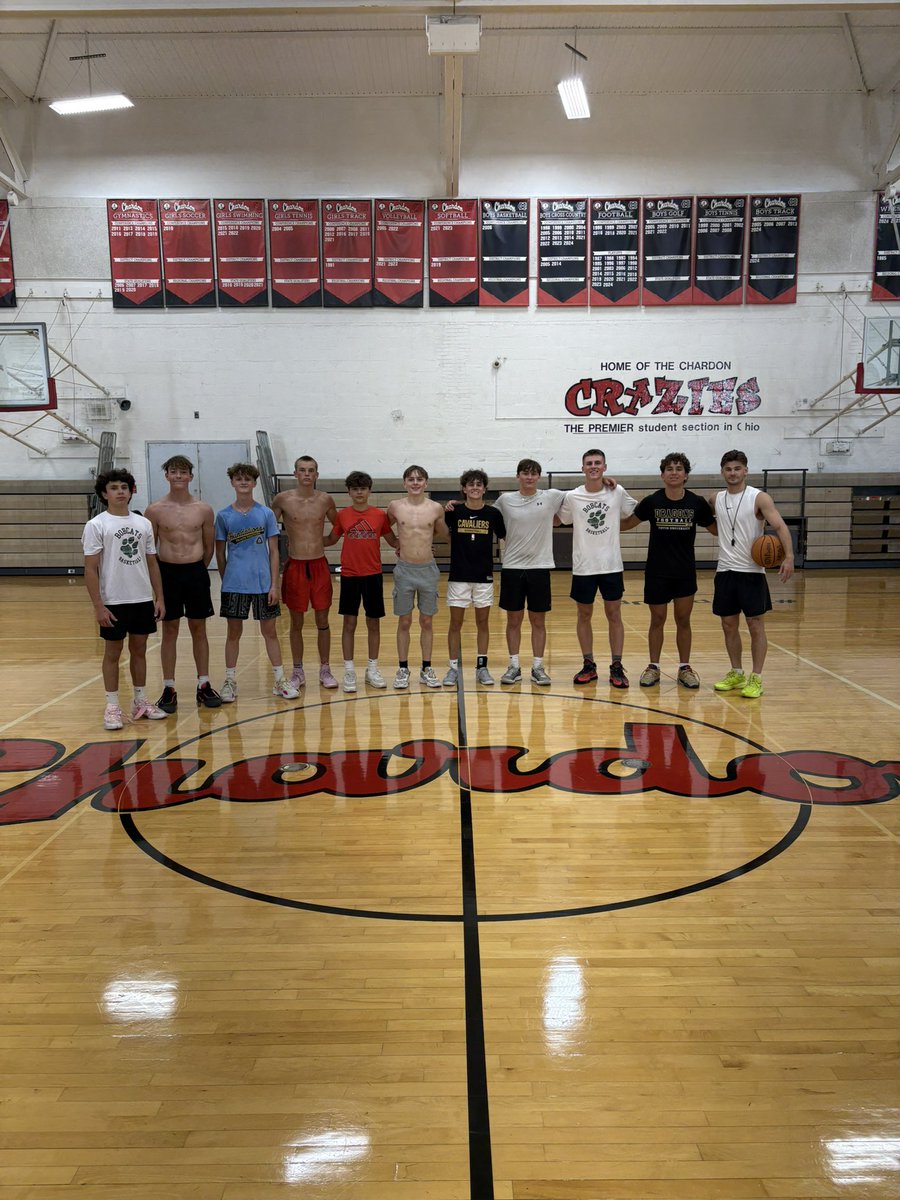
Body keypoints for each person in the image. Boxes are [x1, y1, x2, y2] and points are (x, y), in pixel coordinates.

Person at [620, 452, 717, 689]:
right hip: (657, 572)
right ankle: (653, 667)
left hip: (684, 572)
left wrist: (750, 517)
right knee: (658, 620)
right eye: (669, 468)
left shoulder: (696, 502)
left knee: (683, 620)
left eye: (679, 468)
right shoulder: (653, 501)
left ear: (685, 475)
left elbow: (717, 530)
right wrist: (599, 516)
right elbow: (627, 524)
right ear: (662, 475)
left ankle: (685, 667)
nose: (674, 472)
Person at [82, 468, 168, 730]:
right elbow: (90, 568)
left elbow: (152, 563)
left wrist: (159, 598)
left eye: (124, 487)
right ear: (104, 493)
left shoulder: (143, 524)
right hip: (113, 601)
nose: (120, 491)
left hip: (141, 598)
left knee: (140, 650)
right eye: (114, 488)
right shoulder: (97, 524)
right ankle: (112, 706)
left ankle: (140, 701)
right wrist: (99, 605)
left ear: (132, 491)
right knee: (113, 652)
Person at [711, 449, 794, 699]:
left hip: (751, 572)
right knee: (728, 625)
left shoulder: (759, 498)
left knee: (755, 625)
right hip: (725, 570)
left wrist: (789, 556)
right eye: (728, 469)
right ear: (722, 472)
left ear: (745, 471)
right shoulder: (715, 498)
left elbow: (779, 526)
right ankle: (736, 672)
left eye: (737, 468)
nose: (733, 473)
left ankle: (756, 677)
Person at [214, 463, 299, 702]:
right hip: (235, 585)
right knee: (234, 633)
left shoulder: (266, 514)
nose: (243, 482)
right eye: (238, 478)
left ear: (253, 483)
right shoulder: (223, 516)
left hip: (263, 585)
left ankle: (280, 680)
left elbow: (274, 552)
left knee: (270, 632)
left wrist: (275, 585)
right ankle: (230, 680)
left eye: (248, 479)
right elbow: (220, 553)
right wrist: (226, 579)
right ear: (232, 482)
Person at [145, 454, 222, 711]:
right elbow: (150, 550)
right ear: (166, 475)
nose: (178, 476)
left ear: (191, 476)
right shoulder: (154, 510)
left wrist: (199, 568)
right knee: (169, 631)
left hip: (195, 573)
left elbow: (209, 545)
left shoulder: (203, 509)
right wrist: (157, 588)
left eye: (183, 472)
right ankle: (169, 688)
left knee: (199, 629)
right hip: (167, 574)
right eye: (173, 472)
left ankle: (203, 684)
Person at [558, 447, 637, 688]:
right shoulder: (572, 497)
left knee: (614, 615)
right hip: (584, 566)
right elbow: (562, 519)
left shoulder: (617, 491)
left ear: (605, 467)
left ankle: (616, 665)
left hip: (611, 565)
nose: (593, 466)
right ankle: (588, 664)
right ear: (582, 468)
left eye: (598, 463)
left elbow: (637, 513)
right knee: (584, 615)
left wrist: (617, 528)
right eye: (589, 463)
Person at [492, 457, 566, 686]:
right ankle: (514, 666)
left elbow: (585, 492)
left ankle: (537, 667)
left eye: (534, 473)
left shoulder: (551, 496)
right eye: (525, 473)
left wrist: (607, 481)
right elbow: (489, 518)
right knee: (513, 620)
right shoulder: (505, 500)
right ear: (518, 476)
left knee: (538, 621)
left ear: (539, 476)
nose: (529, 477)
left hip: (540, 567)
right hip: (513, 567)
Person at [324, 470, 398, 692]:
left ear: (369, 490)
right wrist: (306, 541)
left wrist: (415, 545)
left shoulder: (379, 516)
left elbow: (393, 539)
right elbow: (331, 539)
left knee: (373, 623)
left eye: (363, 488)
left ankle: (372, 669)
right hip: (349, 576)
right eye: (355, 489)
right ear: (349, 491)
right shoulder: (343, 516)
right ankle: (349, 670)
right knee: (349, 623)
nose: (359, 492)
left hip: (373, 575)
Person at [272, 455, 339, 690]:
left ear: (317, 475)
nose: (307, 474)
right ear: (296, 474)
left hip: (319, 565)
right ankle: (297, 670)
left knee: (322, 619)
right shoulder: (283, 499)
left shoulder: (325, 500)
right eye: (302, 470)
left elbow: (339, 527)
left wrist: (325, 541)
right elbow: (269, 529)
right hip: (296, 566)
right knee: (296, 621)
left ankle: (325, 668)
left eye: (311, 470)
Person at [386, 464, 448, 690]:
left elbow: (445, 534)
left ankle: (426, 668)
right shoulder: (395, 507)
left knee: (427, 621)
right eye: (411, 479)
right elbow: (384, 528)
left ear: (426, 483)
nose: (415, 483)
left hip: (428, 570)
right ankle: (403, 668)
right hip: (404, 570)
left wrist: (453, 511)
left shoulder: (435, 508)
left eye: (419, 479)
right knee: (404, 620)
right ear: (404, 483)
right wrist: (395, 543)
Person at [442, 469, 506, 687]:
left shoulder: (493, 514)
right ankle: (452, 668)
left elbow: (505, 537)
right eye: (471, 484)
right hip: (459, 575)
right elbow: (440, 531)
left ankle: (482, 667)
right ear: (464, 488)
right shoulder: (453, 512)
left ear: (484, 488)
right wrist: (447, 507)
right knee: (455, 623)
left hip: (483, 575)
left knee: (483, 622)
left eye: (479, 484)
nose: (475, 488)